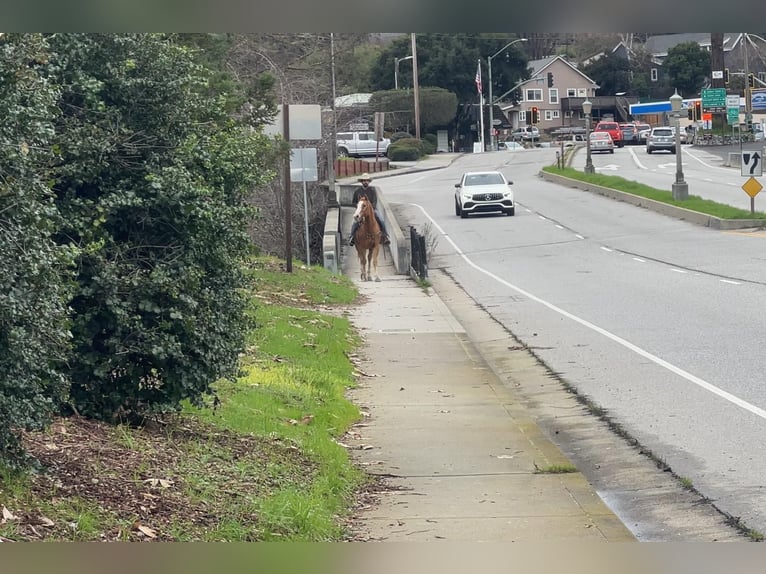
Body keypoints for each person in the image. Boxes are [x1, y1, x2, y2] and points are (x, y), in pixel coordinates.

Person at [349, 173, 390, 246]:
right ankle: (352, 237)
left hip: (372, 210)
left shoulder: (372, 191)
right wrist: (359, 208)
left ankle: (385, 236)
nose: (365, 182)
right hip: (360, 211)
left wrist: (370, 209)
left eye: (367, 180)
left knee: (381, 219)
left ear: (369, 182)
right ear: (361, 182)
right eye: (364, 180)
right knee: (354, 222)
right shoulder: (357, 191)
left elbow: (374, 201)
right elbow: (353, 202)